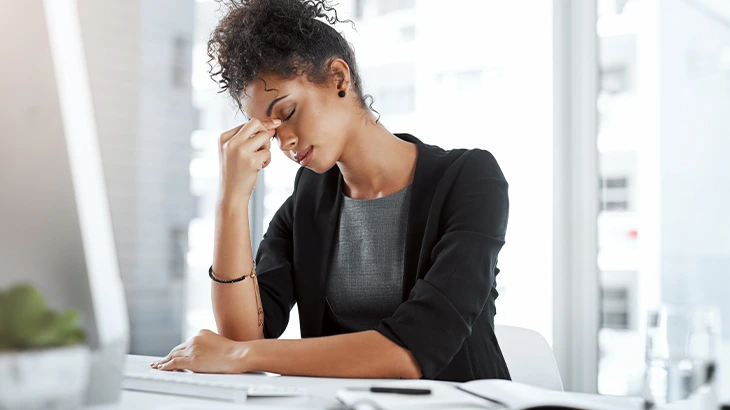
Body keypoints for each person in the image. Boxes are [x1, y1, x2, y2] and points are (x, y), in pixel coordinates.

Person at [151, 0, 510, 382]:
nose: (285, 141)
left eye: (286, 113)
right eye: (270, 131)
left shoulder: (470, 179)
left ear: (339, 78)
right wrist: (231, 201)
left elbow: (412, 352)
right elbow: (244, 335)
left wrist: (240, 354)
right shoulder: (307, 201)